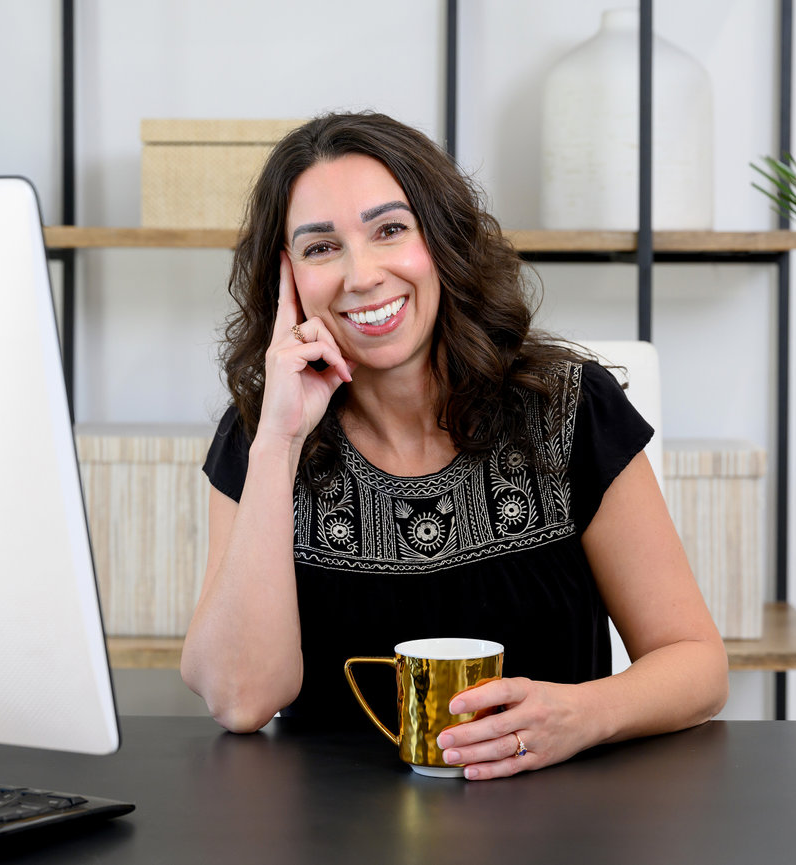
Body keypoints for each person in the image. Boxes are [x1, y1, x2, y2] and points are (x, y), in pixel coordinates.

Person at [180, 111, 728, 781]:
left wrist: (581, 715)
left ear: (439, 239)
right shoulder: (262, 437)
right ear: (286, 279)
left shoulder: (571, 409)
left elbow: (697, 664)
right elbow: (240, 699)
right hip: (333, 838)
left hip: (555, 830)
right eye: (322, 247)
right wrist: (278, 440)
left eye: (389, 230)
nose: (363, 274)